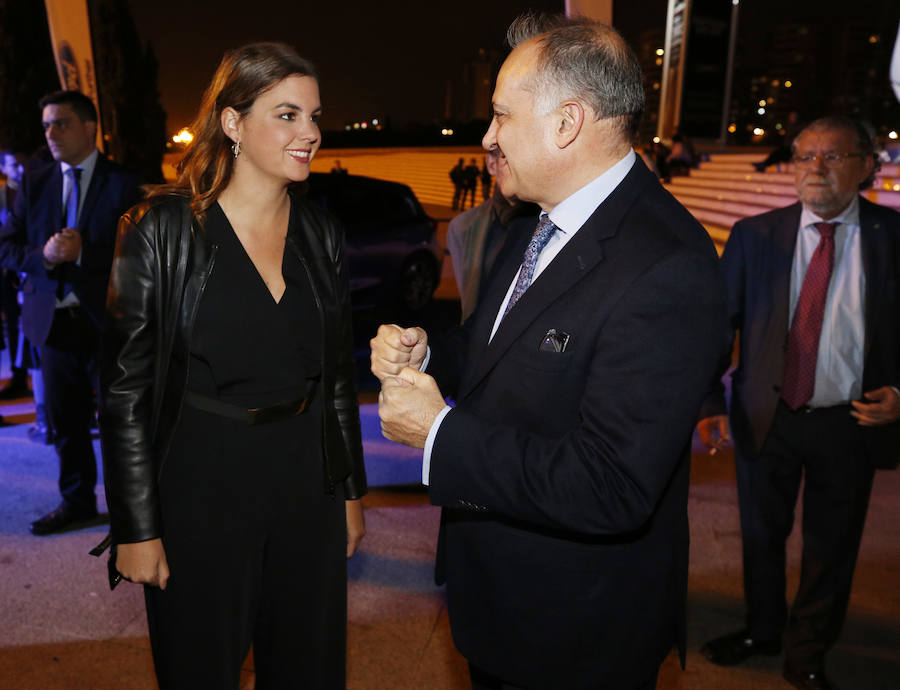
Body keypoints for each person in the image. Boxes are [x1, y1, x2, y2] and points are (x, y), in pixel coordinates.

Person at [371, 14, 727, 690]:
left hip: (576, 634)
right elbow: (490, 350)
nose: (487, 137)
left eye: (502, 116)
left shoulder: (667, 266)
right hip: (500, 603)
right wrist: (426, 356)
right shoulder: (536, 224)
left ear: (567, 123)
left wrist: (438, 435)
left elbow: (613, 485)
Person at [98, 42, 367, 689]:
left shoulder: (321, 233)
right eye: (287, 114)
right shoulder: (158, 228)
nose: (310, 133)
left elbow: (335, 378)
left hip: (308, 487)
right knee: (200, 669)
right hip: (201, 486)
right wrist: (137, 527)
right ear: (233, 123)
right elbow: (124, 390)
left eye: (314, 115)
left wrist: (351, 491)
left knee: (310, 669)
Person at [697, 116, 900, 690]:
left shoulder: (893, 236)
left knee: (831, 545)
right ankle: (763, 629)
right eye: (804, 155)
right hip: (767, 416)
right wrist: (710, 400)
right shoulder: (754, 235)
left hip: (850, 422)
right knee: (761, 534)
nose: (814, 168)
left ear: (866, 166)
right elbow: (717, 327)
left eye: (831, 156)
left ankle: (807, 653)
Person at [0, 91, 141, 534]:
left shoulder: (124, 182)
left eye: (60, 123)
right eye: (46, 125)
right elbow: (7, 246)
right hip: (54, 325)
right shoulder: (36, 180)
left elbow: (146, 253)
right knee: (67, 425)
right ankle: (77, 501)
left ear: (88, 127)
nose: (50, 133)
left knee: (122, 426)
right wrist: (43, 256)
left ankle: (131, 513)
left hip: (110, 325)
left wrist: (86, 253)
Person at [446, 147, 538, 321]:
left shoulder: (553, 222)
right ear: (491, 164)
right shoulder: (462, 227)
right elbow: (469, 303)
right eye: (507, 157)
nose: (518, 166)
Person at [0, 149, 29, 400]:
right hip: (9, 270)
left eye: (19, 164)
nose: (18, 169)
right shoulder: (3, 194)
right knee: (13, 324)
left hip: (30, 266)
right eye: (12, 165)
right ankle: (19, 374)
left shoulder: (30, 189)